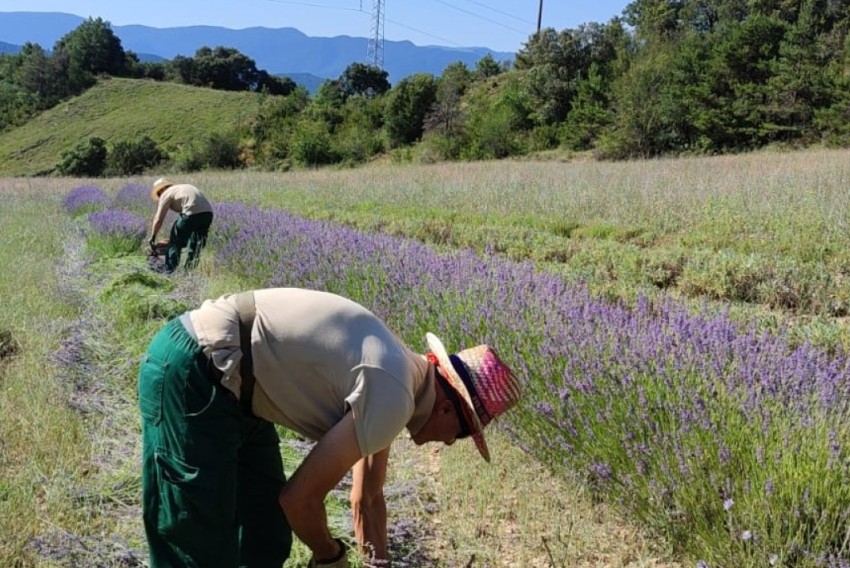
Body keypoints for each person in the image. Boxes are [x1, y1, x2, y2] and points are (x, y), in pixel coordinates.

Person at [137, 287, 522, 567]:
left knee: (265, 532)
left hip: (240, 391)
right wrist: (330, 555)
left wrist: (377, 564)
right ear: (447, 410)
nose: (452, 444)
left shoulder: (401, 379)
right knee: (197, 540)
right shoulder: (393, 393)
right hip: (197, 369)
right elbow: (298, 500)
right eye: (461, 434)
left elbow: (367, 498)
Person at [147, 177, 214, 274]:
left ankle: (168, 272)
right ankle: (189, 273)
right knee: (196, 245)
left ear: (161, 189)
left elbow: (159, 219)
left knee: (175, 243)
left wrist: (153, 237)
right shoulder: (181, 188)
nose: (159, 195)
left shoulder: (166, 193)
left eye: (158, 193)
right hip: (208, 214)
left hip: (191, 212)